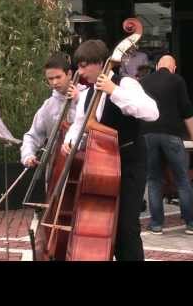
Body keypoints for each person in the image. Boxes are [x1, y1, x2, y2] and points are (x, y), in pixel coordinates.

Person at [62, 39, 159, 261]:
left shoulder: (126, 84)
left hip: (129, 161)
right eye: (79, 65)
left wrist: (113, 90)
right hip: (101, 166)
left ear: (101, 64)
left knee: (126, 227)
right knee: (105, 226)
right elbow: (79, 124)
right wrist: (69, 140)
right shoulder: (86, 95)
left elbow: (152, 112)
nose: (81, 71)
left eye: (85, 65)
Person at [140, 55, 193, 236]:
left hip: (147, 134)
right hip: (171, 134)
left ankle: (156, 225)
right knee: (182, 179)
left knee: (154, 180)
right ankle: (191, 224)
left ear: (157, 66)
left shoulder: (143, 81)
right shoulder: (177, 80)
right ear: (174, 68)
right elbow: (186, 109)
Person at [21, 53, 83, 170]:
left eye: (58, 77)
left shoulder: (87, 96)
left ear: (69, 74)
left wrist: (79, 99)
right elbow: (32, 135)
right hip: (56, 168)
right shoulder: (48, 106)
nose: (54, 82)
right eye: (50, 79)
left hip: (84, 165)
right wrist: (28, 155)